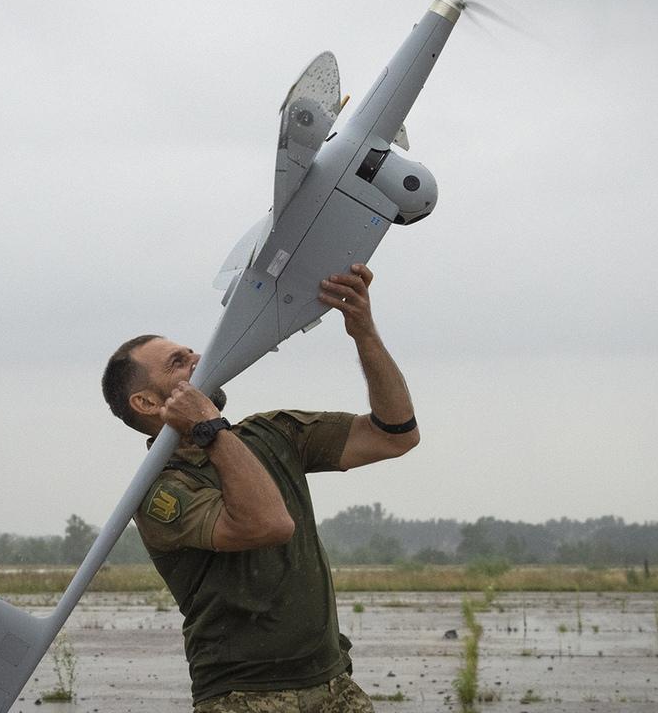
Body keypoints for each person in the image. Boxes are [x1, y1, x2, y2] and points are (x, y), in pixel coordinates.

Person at [101, 264, 420, 712]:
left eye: (193, 352)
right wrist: (209, 426)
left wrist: (363, 332)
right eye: (179, 363)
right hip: (242, 695)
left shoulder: (271, 434)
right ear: (148, 403)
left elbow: (396, 434)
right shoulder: (158, 493)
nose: (200, 360)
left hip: (333, 681)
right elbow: (268, 524)